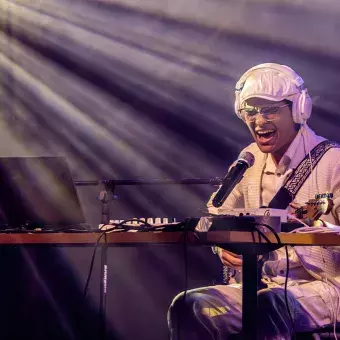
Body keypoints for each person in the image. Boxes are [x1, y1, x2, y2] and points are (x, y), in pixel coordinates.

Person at [168, 63, 340, 340]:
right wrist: (222, 249)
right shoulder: (248, 159)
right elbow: (216, 212)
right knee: (189, 305)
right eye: (250, 110)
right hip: (263, 284)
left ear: (299, 110)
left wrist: (308, 227)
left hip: (329, 287)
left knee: (270, 304)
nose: (258, 121)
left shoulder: (334, 161)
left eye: (270, 109)